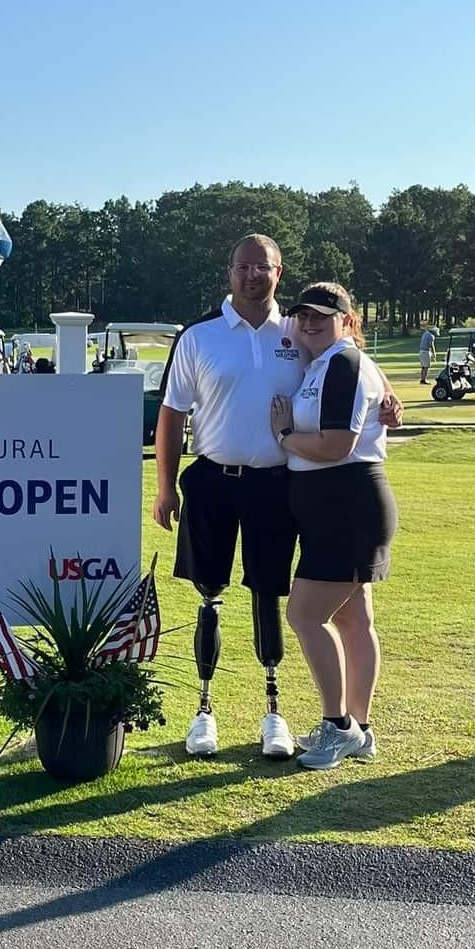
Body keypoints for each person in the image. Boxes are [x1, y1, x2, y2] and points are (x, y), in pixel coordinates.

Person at [154, 233, 402, 759]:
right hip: (214, 480)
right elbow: (172, 414)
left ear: (277, 272)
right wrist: (164, 487)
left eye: (261, 267)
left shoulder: (294, 328)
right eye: (242, 266)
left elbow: (351, 354)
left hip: (279, 488)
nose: (250, 276)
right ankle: (205, 710)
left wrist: (389, 397)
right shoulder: (199, 337)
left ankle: (278, 713)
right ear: (229, 271)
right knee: (210, 594)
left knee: (274, 595)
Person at [269, 281, 397, 770]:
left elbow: (335, 444)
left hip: (346, 506)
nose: (309, 322)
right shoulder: (325, 358)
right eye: (303, 315)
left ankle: (338, 725)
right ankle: (359, 730)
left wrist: (284, 435)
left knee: (304, 615)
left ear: (348, 319)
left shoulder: (342, 362)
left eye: (323, 315)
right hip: (337, 506)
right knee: (352, 618)